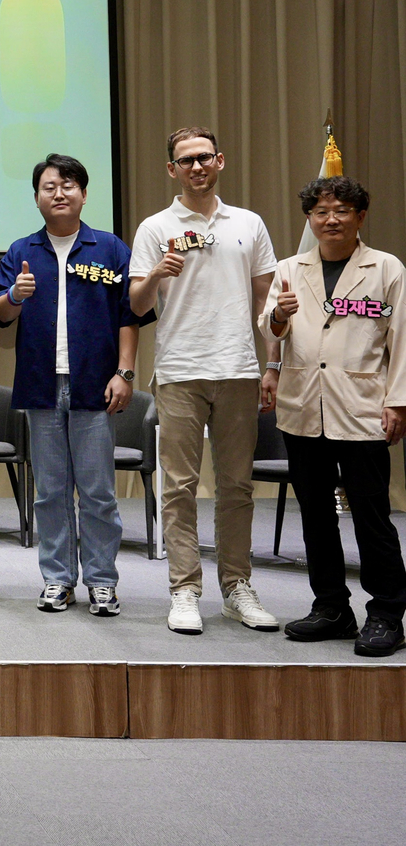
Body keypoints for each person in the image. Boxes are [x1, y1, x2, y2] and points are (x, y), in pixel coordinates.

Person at [129, 127, 279, 635]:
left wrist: (272, 364)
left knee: (237, 486)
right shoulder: (154, 227)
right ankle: (184, 589)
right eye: (184, 161)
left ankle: (237, 588)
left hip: (238, 368)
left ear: (219, 162)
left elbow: (266, 302)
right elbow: (135, 305)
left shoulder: (249, 224)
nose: (195, 167)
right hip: (179, 371)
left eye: (203, 158)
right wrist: (156, 273)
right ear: (172, 170)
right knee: (179, 487)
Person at [0, 155, 143, 617]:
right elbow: (0, 313)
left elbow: (130, 316)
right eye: (49, 186)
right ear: (36, 196)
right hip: (42, 385)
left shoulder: (110, 248)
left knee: (98, 491)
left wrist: (125, 373)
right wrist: (14, 297)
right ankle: (57, 579)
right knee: (50, 491)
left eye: (69, 185)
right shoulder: (22, 249)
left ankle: (101, 581)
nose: (59, 193)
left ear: (83, 192)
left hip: (95, 387)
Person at [262, 177, 406, 656]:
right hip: (303, 407)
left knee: (371, 514)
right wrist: (279, 316)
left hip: (362, 408)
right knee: (317, 516)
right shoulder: (289, 267)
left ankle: (386, 613)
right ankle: (331, 607)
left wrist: (397, 401)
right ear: (310, 218)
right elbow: (271, 329)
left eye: (342, 210)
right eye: (321, 211)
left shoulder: (386, 269)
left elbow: (400, 341)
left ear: (360, 216)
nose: (331, 219)